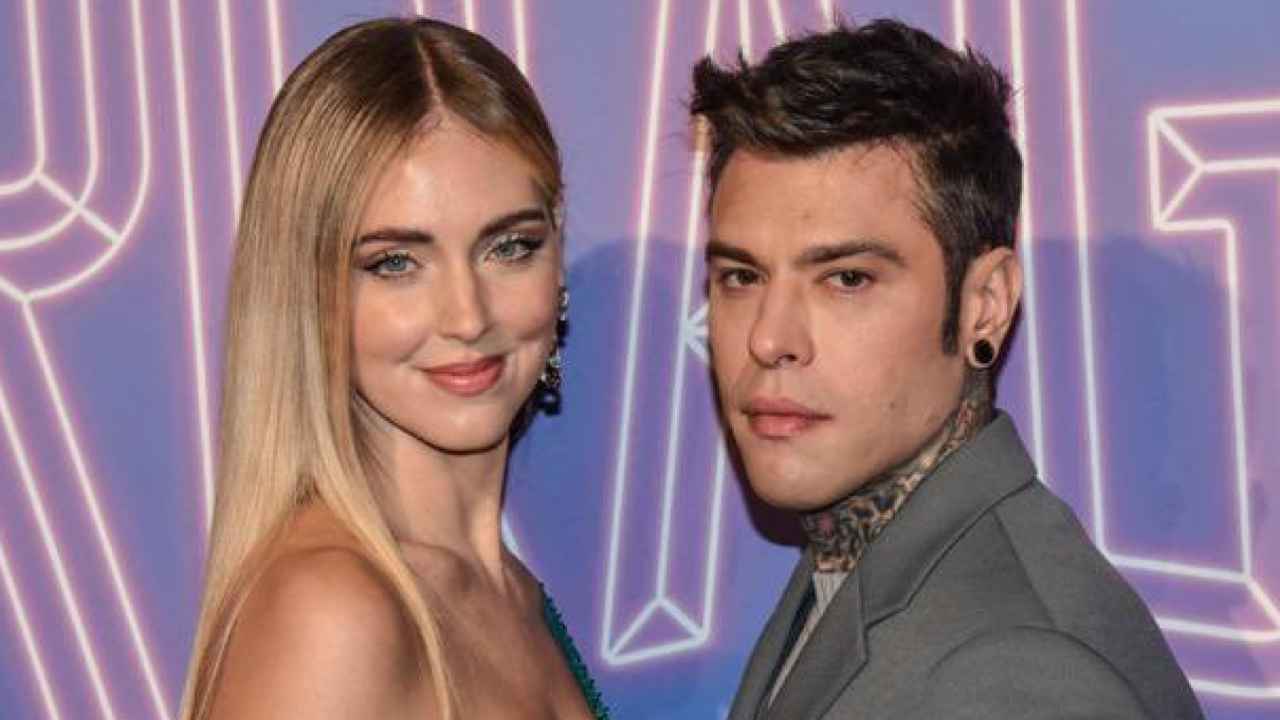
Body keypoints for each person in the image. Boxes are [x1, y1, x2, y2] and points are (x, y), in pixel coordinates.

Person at [691, 19, 1204, 720]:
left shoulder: (1015, 672)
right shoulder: (869, 554)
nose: (768, 338)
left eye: (847, 279)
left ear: (984, 306)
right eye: (742, 276)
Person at [179, 18, 607, 720]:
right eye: (396, 263)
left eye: (509, 247)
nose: (467, 316)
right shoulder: (332, 612)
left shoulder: (511, 595)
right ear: (310, 291)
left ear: (557, 254)